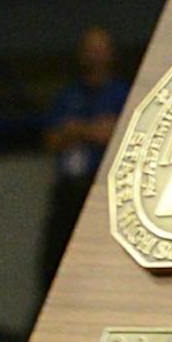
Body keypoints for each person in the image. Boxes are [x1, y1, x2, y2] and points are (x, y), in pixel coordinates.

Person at [40, 27, 129, 281]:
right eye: (90, 49)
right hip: (68, 187)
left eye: (100, 49)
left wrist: (80, 130)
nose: (94, 56)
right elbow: (51, 138)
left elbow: (115, 133)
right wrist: (86, 131)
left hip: (100, 189)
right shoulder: (68, 95)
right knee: (54, 259)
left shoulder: (120, 94)